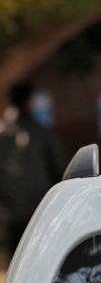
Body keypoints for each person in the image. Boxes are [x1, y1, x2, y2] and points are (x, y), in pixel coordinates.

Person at [0, 80, 66, 257]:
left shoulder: (2, 131)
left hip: (9, 210)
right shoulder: (41, 132)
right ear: (29, 101)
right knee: (37, 258)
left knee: (15, 261)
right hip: (40, 207)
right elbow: (61, 168)